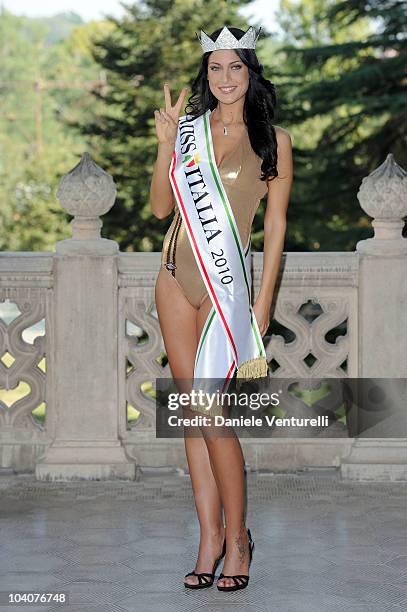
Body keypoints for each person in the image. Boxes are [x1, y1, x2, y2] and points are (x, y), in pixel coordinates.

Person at [150, 25, 293, 591]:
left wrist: (262, 303)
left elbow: (277, 226)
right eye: (215, 68)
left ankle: (239, 539)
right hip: (171, 278)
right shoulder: (188, 132)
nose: (225, 78)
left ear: (251, 73)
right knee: (193, 414)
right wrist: (165, 144)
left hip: (224, 287)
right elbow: (162, 207)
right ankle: (208, 538)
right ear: (205, 75)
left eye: (236, 67)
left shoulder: (273, 140)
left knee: (214, 417)